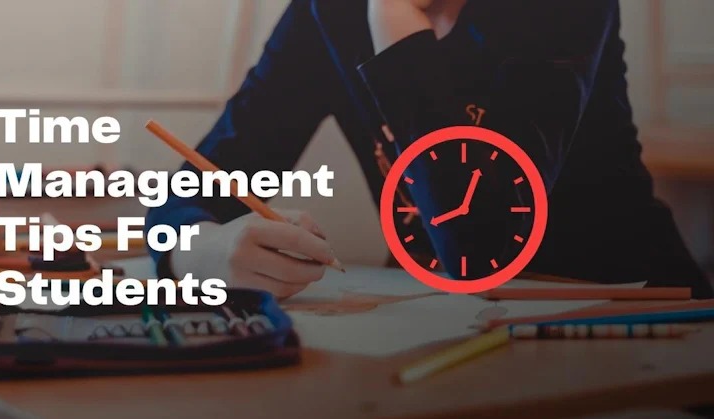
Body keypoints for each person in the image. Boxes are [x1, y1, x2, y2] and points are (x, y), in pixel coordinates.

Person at [147, 0, 713, 299]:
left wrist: (394, 31)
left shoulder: (558, 9)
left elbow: (481, 248)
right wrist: (202, 253)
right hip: (441, 321)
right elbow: (193, 185)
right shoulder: (328, 12)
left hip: (637, 317)